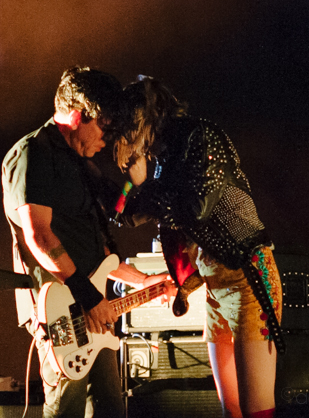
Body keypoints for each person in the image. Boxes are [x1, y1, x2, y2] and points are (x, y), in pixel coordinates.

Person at [2, 66, 170, 418]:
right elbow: (38, 235)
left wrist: (143, 281)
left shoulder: (80, 163)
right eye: (104, 127)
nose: (107, 139)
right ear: (79, 114)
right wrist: (90, 298)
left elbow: (114, 226)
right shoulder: (34, 153)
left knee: (111, 409)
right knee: (67, 409)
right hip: (60, 311)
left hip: (91, 307)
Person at [113, 76, 283, 418]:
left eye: (127, 128)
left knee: (256, 410)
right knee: (230, 409)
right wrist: (132, 183)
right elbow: (123, 215)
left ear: (143, 119)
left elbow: (196, 209)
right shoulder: (163, 158)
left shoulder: (200, 136)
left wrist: (146, 186)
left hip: (248, 279)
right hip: (215, 289)